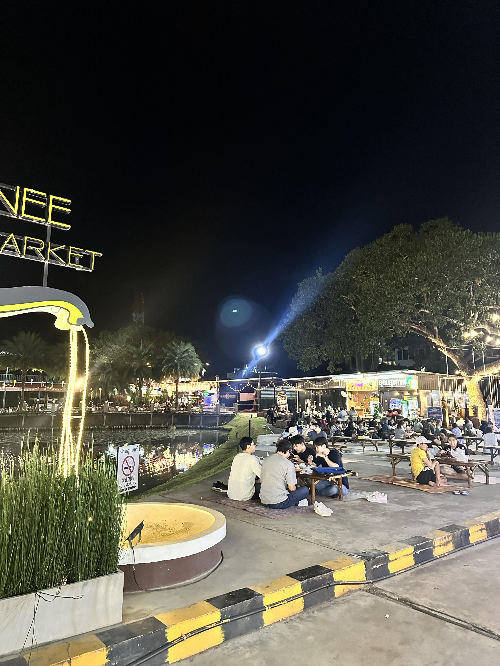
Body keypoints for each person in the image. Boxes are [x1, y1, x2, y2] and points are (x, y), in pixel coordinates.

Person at [260, 439, 310, 509]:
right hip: (279, 502)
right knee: (305, 490)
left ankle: (298, 502)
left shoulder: (266, 460)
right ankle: (299, 502)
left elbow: (261, 481)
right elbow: (292, 488)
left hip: (264, 500)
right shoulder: (288, 464)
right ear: (289, 451)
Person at [227, 437, 262, 501]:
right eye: (253, 444)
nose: (254, 446)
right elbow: (262, 474)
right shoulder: (252, 459)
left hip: (231, 494)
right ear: (248, 446)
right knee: (265, 485)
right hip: (244, 495)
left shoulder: (236, 457)